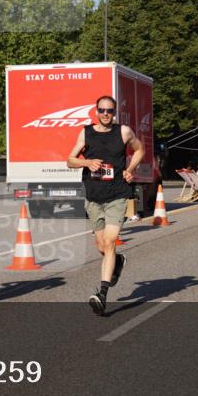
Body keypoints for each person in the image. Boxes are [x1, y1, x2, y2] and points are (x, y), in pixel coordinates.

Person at [67, 95, 144, 316]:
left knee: (110, 242)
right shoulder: (86, 132)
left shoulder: (124, 132)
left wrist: (131, 169)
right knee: (102, 246)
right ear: (96, 111)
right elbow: (70, 159)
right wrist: (86, 162)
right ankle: (118, 260)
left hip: (117, 195)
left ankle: (101, 294)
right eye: (102, 110)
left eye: (110, 111)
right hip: (93, 196)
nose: (105, 114)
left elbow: (139, 150)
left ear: (115, 112)